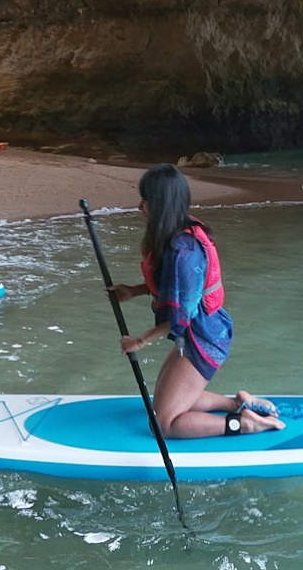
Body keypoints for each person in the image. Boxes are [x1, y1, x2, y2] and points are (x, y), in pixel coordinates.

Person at [107, 164, 285, 438]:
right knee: (162, 406)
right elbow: (173, 289)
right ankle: (237, 404)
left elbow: (184, 316)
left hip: (204, 338)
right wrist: (134, 290)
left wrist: (140, 340)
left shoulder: (186, 252)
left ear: (161, 204)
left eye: (146, 199)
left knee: (164, 424)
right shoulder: (173, 237)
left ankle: (247, 424)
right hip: (196, 333)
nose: (140, 205)